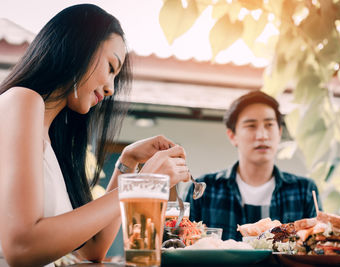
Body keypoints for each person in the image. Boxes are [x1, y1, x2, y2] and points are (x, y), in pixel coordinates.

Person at [0, 4, 189, 267]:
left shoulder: (51, 140)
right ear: (79, 48)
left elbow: (91, 251)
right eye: (111, 67)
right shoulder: (23, 100)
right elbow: (21, 248)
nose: (111, 89)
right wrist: (142, 184)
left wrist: (128, 163)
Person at [185, 91, 322, 241]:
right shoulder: (204, 190)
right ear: (232, 136)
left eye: (269, 125)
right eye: (251, 126)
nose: (262, 135)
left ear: (280, 132)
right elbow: (181, 244)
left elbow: (318, 248)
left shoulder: (304, 191)